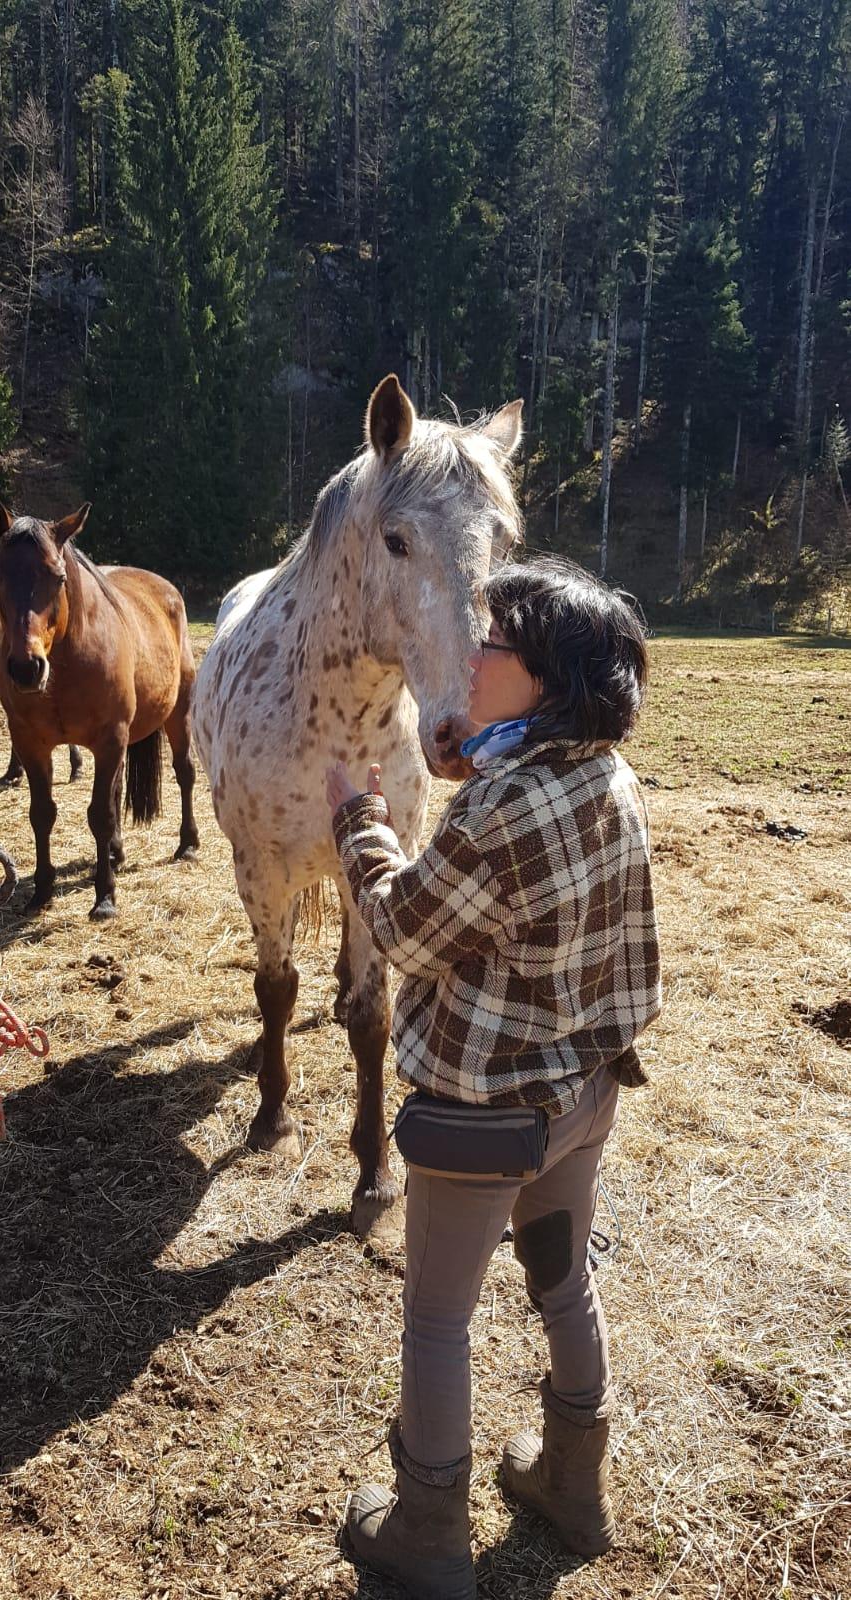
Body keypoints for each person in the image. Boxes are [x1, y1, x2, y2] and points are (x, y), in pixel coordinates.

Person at [325, 557, 661, 1600]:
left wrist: (357, 820)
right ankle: (573, 1482)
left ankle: (427, 1527)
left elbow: (396, 927)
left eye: (492, 645)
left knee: (436, 1317)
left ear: (544, 676)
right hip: (583, 1095)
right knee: (562, 1272)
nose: (470, 657)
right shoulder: (603, 769)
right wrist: (483, 759)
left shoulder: (500, 813)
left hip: (485, 1116)